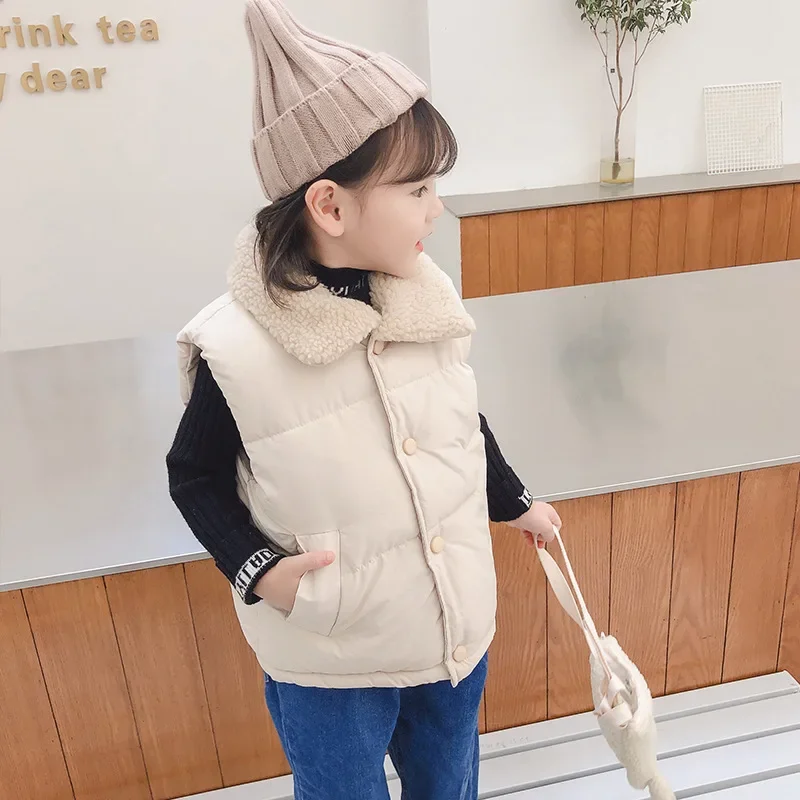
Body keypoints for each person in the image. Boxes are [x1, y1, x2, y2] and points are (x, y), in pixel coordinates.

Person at [166, 1, 561, 797]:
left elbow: (456, 423)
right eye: (417, 188)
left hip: (450, 631)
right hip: (331, 658)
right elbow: (194, 476)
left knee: (448, 779)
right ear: (330, 206)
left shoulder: (425, 299)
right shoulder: (236, 348)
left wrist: (515, 501)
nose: (436, 208)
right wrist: (259, 570)